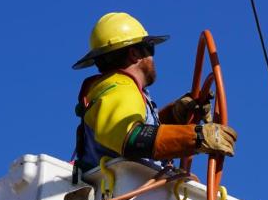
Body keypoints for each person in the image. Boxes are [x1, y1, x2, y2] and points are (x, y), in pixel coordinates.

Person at [72, 12, 237, 176]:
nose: (153, 56)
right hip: (125, 196)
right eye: (150, 47)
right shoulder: (121, 88)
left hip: (132, 194)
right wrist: (198, 136)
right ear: (135, 54)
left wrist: (174, 114)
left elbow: (140, 133)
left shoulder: (115, 91)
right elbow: (132, 138)